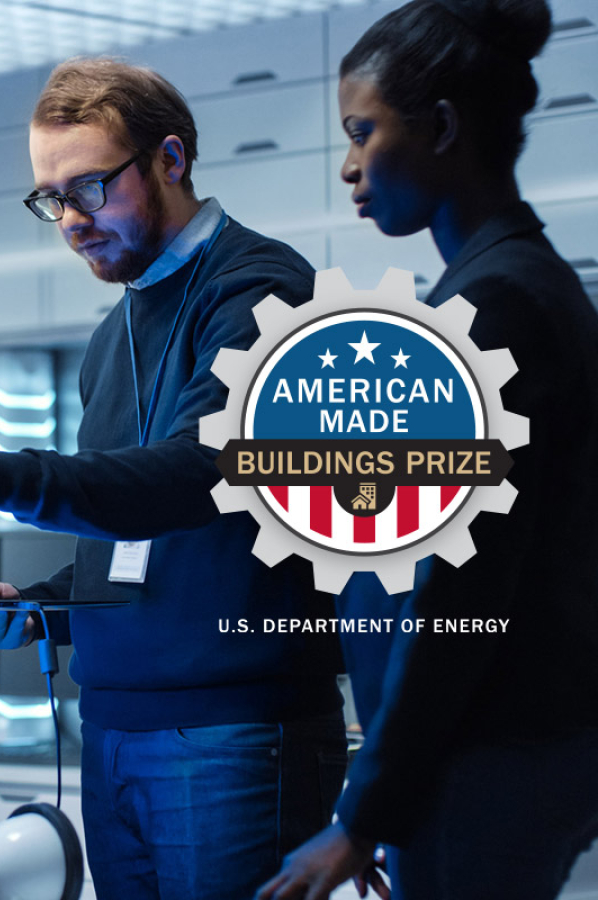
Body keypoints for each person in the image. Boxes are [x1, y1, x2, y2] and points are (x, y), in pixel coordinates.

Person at [0, 58, 347, 900]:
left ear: (170, 159)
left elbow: (201, 475)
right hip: (115, 728)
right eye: (51, 198)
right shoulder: (108, 341)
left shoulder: (262, 293)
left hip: (234, 731)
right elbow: (139, 540)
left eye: (89, 187)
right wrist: (46, 607)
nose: (70, 220)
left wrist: (0, 473)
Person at [257, 1, 598, 898]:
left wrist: (367, 816)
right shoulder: (511, 287)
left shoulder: (499, 310)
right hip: (493, 760)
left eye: (363, 133)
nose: (348, 167)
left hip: (484, 763)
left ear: (442, 127)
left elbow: (459, 590)